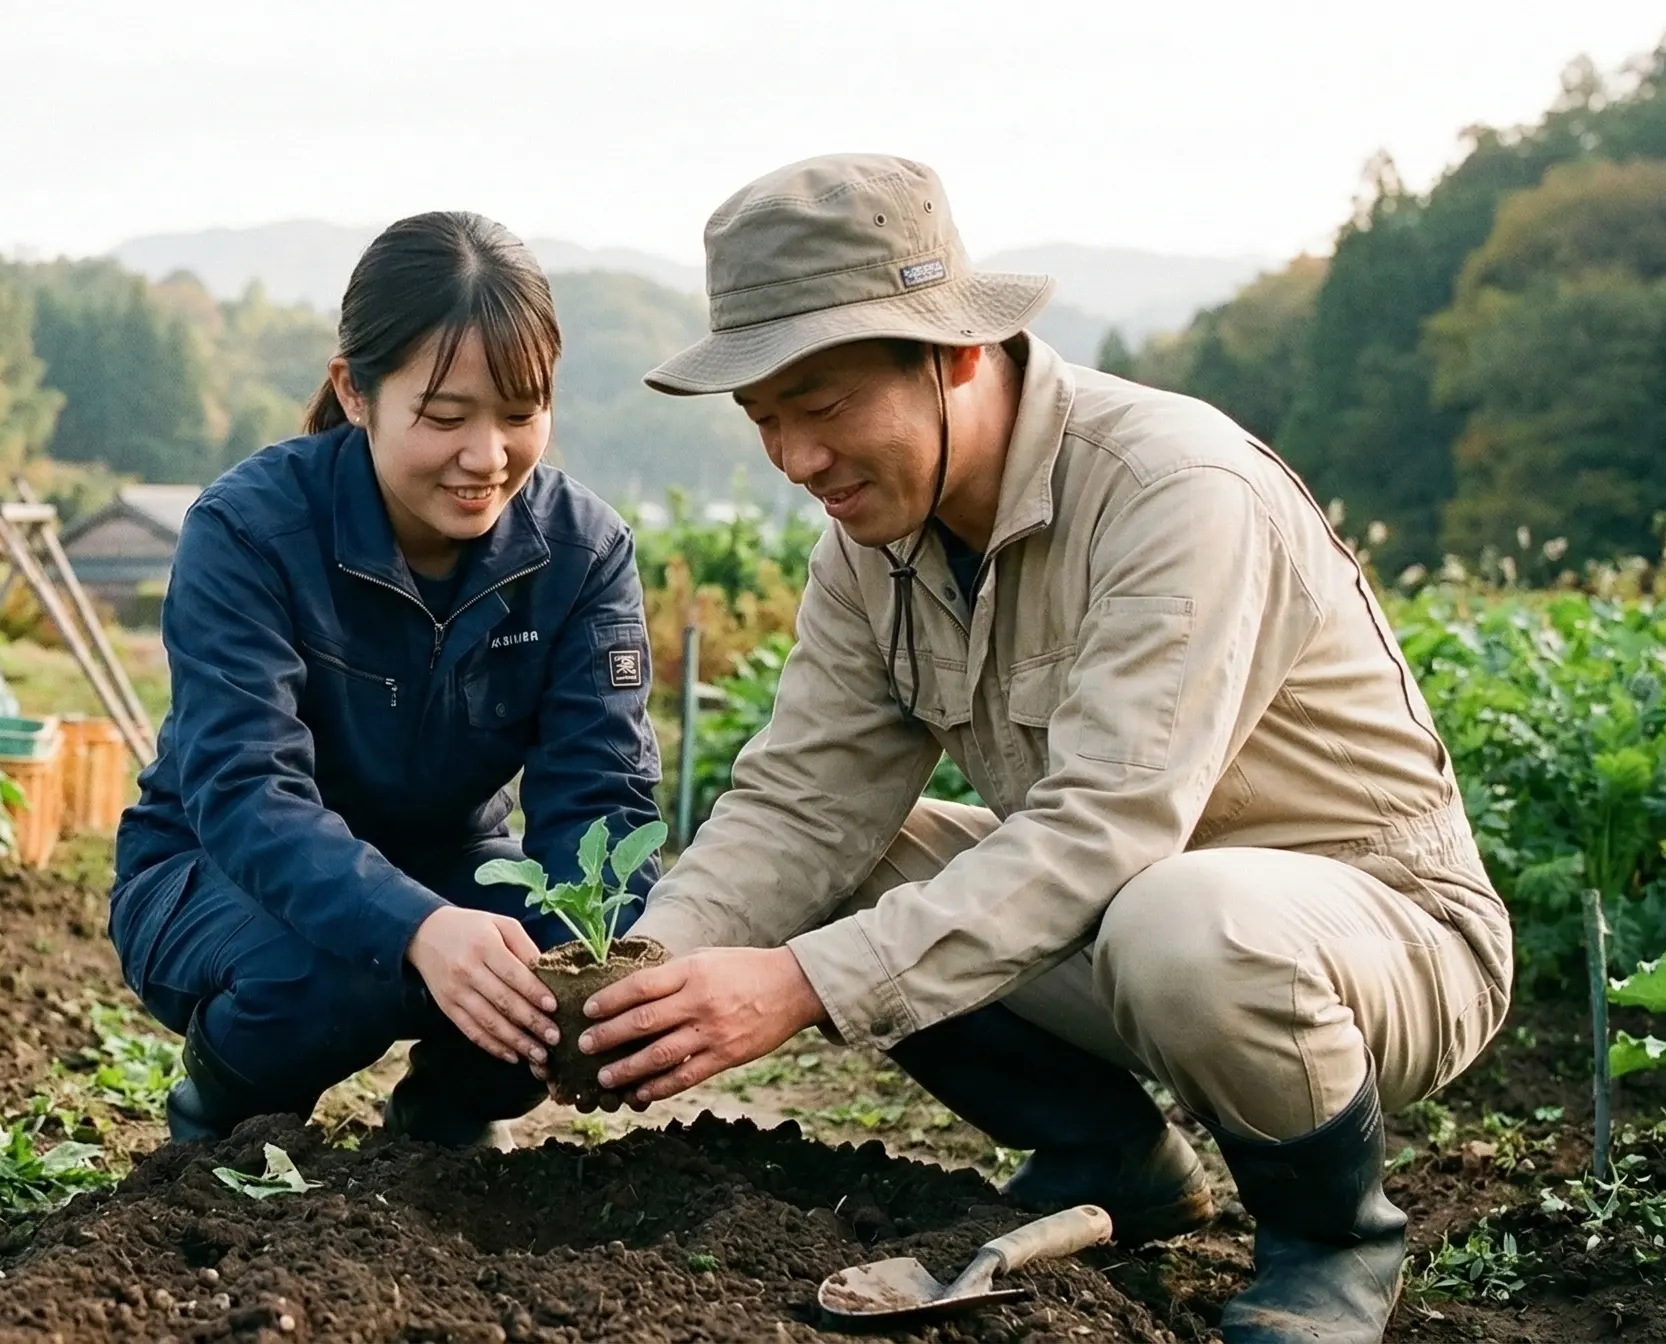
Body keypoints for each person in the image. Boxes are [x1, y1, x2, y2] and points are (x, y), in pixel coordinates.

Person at [557, 154, 1512, 1344]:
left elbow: (1109, 829)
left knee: (1186, 915)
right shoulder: (875, 546)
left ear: (954, 352)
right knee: (850, 865)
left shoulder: (1175, 488)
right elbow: (804, 803)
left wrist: (801, 986)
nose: (798, 461)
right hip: (1127, 939)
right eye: (764, 419)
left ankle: (1332, 1239)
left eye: (826, 402)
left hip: (1374, 939)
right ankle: (1113, 1158)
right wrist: (647, 969)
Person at [107, 211, 664, 1149]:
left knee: (542, 965)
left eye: (520, 414)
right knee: (337, 969)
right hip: (212, 870)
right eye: (445, 418)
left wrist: (592, 973)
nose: (487, 457)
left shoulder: (582, 552)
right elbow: (246, 791)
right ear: (354, 394)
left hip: (456, 862)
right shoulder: (250, 532)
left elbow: (599, 793)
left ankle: (448, 1118)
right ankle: (225, 1117)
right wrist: (415, 925)